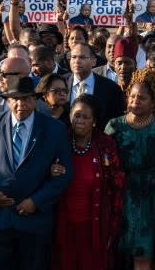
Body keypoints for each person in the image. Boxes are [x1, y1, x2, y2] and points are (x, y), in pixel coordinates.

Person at [0, 74, 73, 270]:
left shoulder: (54, 129)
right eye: (15, 99)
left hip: (34, 223)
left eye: (26, 98)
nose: (20, 104)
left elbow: (65, 174)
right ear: (7, 101)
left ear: (35, 99)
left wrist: (36, 201)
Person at [104, 68, 155, 269]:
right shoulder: (115, 126)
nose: (135, 101)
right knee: (139, 253)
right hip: (126, 195)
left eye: (142, 98)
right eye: (133, 96)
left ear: (154, 101)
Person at [50, 94, 125, 270]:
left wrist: (112, 228)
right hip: (63, 226)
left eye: (86, 117)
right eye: (76, 115)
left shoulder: (106, 144)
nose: (80, 121)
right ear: (69, 117)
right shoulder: (60, 141)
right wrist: (50, 171)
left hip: (95, 227)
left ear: (94, 121)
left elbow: (118, 187)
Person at [67, 42, 126, 127]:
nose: (77, 61)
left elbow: (116, 121)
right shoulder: (62, 83)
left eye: (82, 57)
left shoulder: (111, 88)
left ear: (94, 61)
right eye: (73, 57)